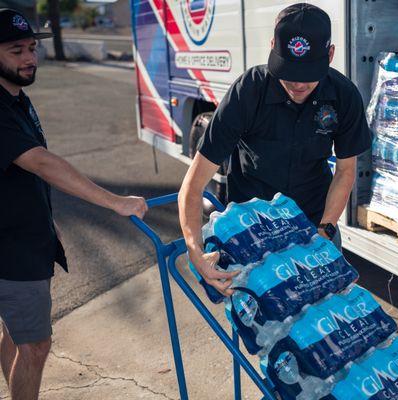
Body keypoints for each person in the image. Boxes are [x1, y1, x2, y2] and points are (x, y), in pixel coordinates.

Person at [0, 9, 147, 400]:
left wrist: (46, 219)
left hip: (25, 235)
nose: (29, 57)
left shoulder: (16, 98)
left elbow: (20, 174)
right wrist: (116, 202)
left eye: (31, 48)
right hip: (13, 251)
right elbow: (41, 162)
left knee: (15, 333)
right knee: (36, 345)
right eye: (16, 50)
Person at [179, 3, 372, 296]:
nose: (296, 84)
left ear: (330, 55)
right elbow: (192, 186)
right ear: (272, 47)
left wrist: (325, 231)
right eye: (289, 71)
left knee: (322, 317)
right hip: (251, 230)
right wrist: (195, 250)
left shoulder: (344, 96)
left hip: (313, 223)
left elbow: (345, 171)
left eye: (308, 73)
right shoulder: (247, 93)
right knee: (262, 323)